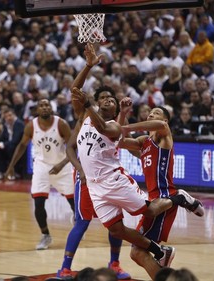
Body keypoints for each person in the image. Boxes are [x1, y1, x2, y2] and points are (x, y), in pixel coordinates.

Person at [118, 103, 204, 280]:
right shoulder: (144, 142)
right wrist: (122, 114)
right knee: (136, 253)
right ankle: (163, 255)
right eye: (149, 113)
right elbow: (119, 141)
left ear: (165, 120)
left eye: (156, 113)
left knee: (138, 249)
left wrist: (127, 126)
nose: (151, 115)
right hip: (154, 198)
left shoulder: (164, 136)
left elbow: (161, 126)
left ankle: (179, 197)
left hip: (164, 197)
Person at [56, 89, 131, 280]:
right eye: (103, 97)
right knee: (82, 221)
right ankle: (65, 268)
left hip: (108, 180)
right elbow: (70, 149)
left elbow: (126, 141)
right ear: (97, 102)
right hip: (87, 179)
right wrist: (80, 170)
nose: (107, 99)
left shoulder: (115, 123)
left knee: (116, 223)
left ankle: (114, 264)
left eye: (110, 97)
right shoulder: (86, 119)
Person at [3, 99, 75, 250]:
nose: (44, 107)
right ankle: (45, 235)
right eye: (41, 105)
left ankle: (77, 222)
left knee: (73, 202)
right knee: (38, 202)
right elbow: (22, 145)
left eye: (47, 105)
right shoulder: (31, 126)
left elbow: (72, 147)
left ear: (51, 108)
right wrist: (11, 166)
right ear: (36, 110)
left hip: (62, 166)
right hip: (41, 167)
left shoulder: (61, 124)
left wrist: (61, 165)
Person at [0, 108, 25, 180]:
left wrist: (0, 144)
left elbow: (15, 140)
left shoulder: (19, 124)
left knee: (10, 147)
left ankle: (14, 172)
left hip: (19, 148)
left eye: (10, 115)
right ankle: (0, 171)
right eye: (6, 117)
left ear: (14, 115)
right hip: (9, 146)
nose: (8, 118)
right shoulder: (6, 125)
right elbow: (2, 138)